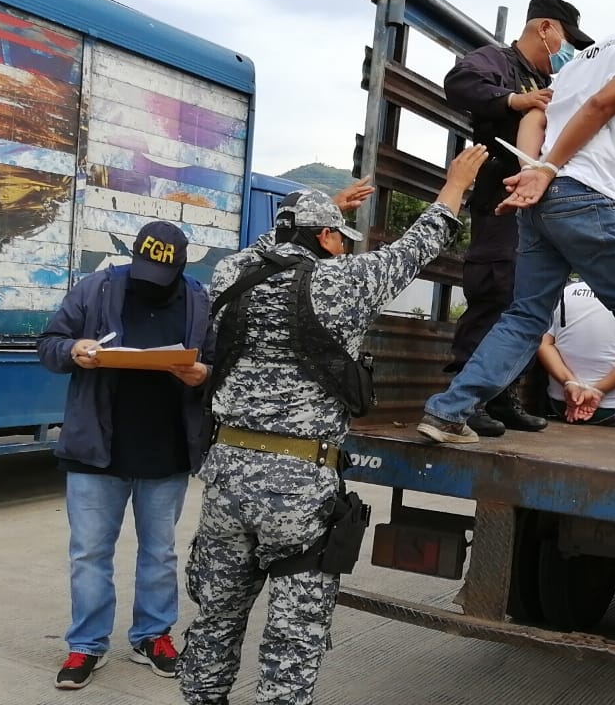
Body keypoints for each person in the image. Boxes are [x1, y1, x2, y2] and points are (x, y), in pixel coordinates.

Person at [177, 147, 487, 705]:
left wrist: (312, 215)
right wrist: (455, 186)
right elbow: (417, 247)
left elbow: (266, 250)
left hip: (225, 476)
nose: (344, 245)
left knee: (215, 618)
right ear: (324, 239)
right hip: (298, 483)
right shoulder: (343, 282)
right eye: (338, 236)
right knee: (292, 642)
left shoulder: (229, 274)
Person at [418, 0, 615, 459]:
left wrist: (531, 170)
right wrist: (545, 168)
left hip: (542, 201)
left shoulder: (578, 61)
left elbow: (536, 115)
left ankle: (448, 411)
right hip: (583, 192)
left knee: (525, 315)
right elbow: (600, 107)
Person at [37, 221, 212, 690]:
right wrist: (74, 348)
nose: (149, 281)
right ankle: (86, 644)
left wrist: (203, 374)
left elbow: (219, 364)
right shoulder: (97, 289)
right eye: (143, 270)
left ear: (181, 268)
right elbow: (48, 345)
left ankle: (152, 636)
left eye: (161, 274)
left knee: (160, 552)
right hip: (96, 450)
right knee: (90, 553)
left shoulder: (199, 302)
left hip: (167, 450)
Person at [441, 0, 594, 437]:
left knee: (526, 300)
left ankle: (501, 395)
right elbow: (459, 84)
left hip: (538, 204)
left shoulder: (551, 79)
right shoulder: (497, 61)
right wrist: (514, 100)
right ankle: (465, 398)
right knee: (493, 291)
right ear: (545, 28)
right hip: (500, 195)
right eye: (565, 39)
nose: (566, 50)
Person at [538, 280, 615, 426]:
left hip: (561, 405)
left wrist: (569, 382)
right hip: (614, 410)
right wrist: (597, 391)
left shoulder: (565, 292)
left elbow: (543, 344)